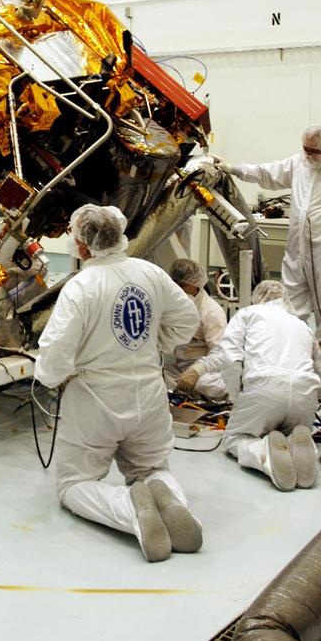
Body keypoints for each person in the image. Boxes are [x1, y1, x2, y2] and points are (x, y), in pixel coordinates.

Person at [35, 204, 202, 563]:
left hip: (98, 401)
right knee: (154, 468)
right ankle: (168, 498)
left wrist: (53, 377)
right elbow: (188, 318)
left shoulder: (80, 288)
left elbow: (53, 357)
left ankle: (131, 511)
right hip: (150, 396)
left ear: (82, 246)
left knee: (74, 484)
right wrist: (157, 343)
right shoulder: (150, 273)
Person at [216, 126, 321, 353]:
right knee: (291, 303)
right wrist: (234, 169)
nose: (309, 155)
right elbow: (266, 173)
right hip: (297, 248)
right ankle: (293, 351)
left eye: (314, 151)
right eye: (306, 150)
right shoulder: (299, 163)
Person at [177, 280, 321, 491]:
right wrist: (319, 395)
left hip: (263, 388)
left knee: (235, 439)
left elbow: (229, 356)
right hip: (304, 396)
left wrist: (236, 394)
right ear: (285, 300)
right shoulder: (302, 325)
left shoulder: (247, 314)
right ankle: (297, 447)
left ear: (258, 297)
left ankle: (264, 453)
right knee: (290, 429)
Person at [163, 258, 228, 402]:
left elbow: (221, 353)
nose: (177, 290)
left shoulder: (211, 311)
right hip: (179, 366)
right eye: (174, 285)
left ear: (196, 285)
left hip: (207, 370)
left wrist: (197, 371)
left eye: (183, 286)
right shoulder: (171, 304)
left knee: (205, 385)